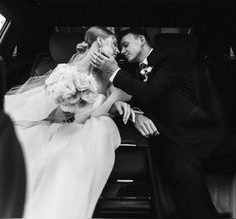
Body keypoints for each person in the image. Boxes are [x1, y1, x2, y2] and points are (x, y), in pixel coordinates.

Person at [91, 27, 236, 219]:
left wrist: (115, 72)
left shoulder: (171, 58)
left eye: (126, 44)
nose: (122, 51)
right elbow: (125, 97)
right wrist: (136, 115)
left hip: (200, 132)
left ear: (141, 39)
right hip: (169, 142)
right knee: (185, 181)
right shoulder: (127, 71)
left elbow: (152, 91)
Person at [4, 26, 133, 219]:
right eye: (114, 44)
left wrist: (118, 100)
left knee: (70, 163)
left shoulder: (109, 77)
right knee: (38, 159)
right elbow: (47, 109)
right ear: (99, 42)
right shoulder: (65, 71)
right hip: (55, 127)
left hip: (84, 129)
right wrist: (61, 112)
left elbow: (104, 110)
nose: (117, 51)